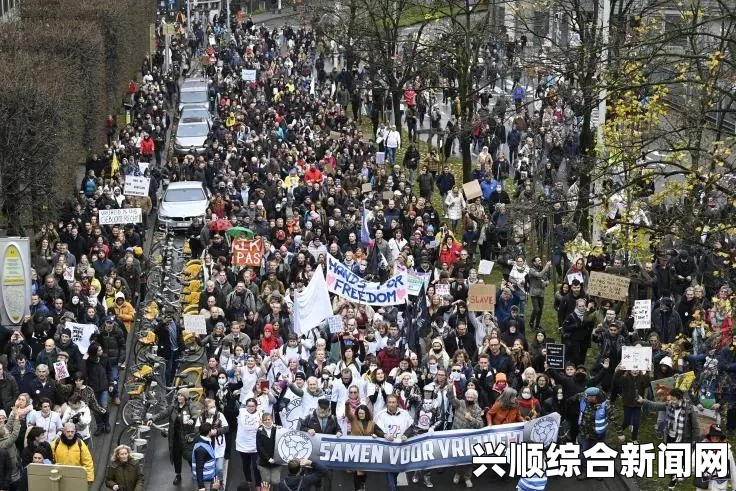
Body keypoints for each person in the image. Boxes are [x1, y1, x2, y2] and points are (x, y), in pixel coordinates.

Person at [575, 387, 615, 481]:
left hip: (598, 434)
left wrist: (620, 433)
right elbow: (575, 396)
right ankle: (585, 472)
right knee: (584, 452)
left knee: (598, 452)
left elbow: (614, 418)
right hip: (585, 432)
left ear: (594, 397)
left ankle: (598, 471)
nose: (586, 398)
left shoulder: (605, 404)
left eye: (589, 397)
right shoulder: (583, 399)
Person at [374, 395, 413, 491]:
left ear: (397, 403)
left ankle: (394, 482)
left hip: (401, 447)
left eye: (393, 402)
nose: (391, 404)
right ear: (386, 403)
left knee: (398, 468)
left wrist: (406, 435)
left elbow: (411, 427)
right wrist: (384, 435)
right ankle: (392, 487)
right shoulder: (381, 414)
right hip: (388, 448)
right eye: (389, 402)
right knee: (390, 469)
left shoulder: (405, 413)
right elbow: (376, 428)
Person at [168, 388, 199, 485]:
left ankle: (196, 473)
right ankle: (178, 475)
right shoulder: (173, 407)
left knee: (190, 457)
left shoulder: (190, 405)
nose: (179, 397)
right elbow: (163, 414)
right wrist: (153, 418)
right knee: (176, 457)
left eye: (182, 395)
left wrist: (192, 420)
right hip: (175, 438)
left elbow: (195, 414)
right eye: (178, 395)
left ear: (186, 397)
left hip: (187, 438)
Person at [236, 397, 262, 490]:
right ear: (246, 406)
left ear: (256, 406)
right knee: (245, 464)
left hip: (255, 444)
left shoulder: (260, 413)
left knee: (256, 465)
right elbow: (232, 410)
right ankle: (248, 482)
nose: (250, 407)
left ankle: (258, 484)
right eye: (249, 406)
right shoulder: (241, 412)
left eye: (253, 406)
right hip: (243, 444)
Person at [192, 422, 220, 491]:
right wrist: (201, 487)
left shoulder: (203, 440)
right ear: (209, 432)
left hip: (209, 478)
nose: (214, 431)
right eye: (212, 430)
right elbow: (199, 468)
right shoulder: (201, 449)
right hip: (205, 481)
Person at [255, 412, 280, 487]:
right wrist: (268, 458)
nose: (267, 421)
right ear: (262, 421)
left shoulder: (278, 429)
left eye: (269, 419)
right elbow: (259, 447)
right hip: (264, 463)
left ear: (272, 420)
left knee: (275, 482)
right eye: (265, 420)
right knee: (266, 482)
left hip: (276, 461)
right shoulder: (259, 432)